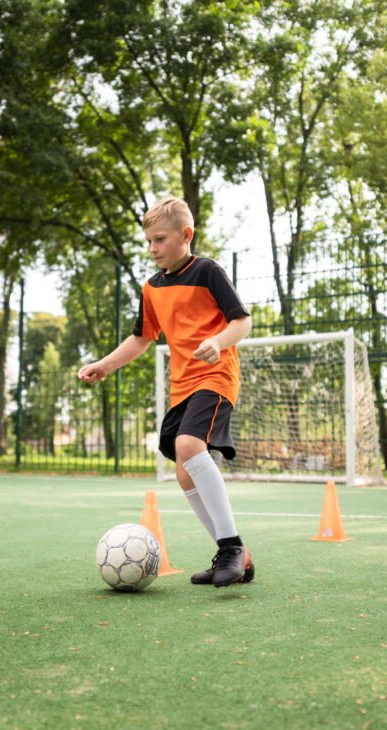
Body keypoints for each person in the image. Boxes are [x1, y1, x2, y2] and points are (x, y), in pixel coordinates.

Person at [78, 196, 254, 587]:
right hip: (182, 388)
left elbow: (242, 322)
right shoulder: (152, 287)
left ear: (185, 235)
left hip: (216, 376)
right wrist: (104, 365)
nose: (153, 249)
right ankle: (240, 559)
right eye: (149, 241)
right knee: (184, 475)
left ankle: (231, 548)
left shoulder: (207, 271)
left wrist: (219, 341)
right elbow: (141, 339)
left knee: (190, 446)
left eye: (160, 239)